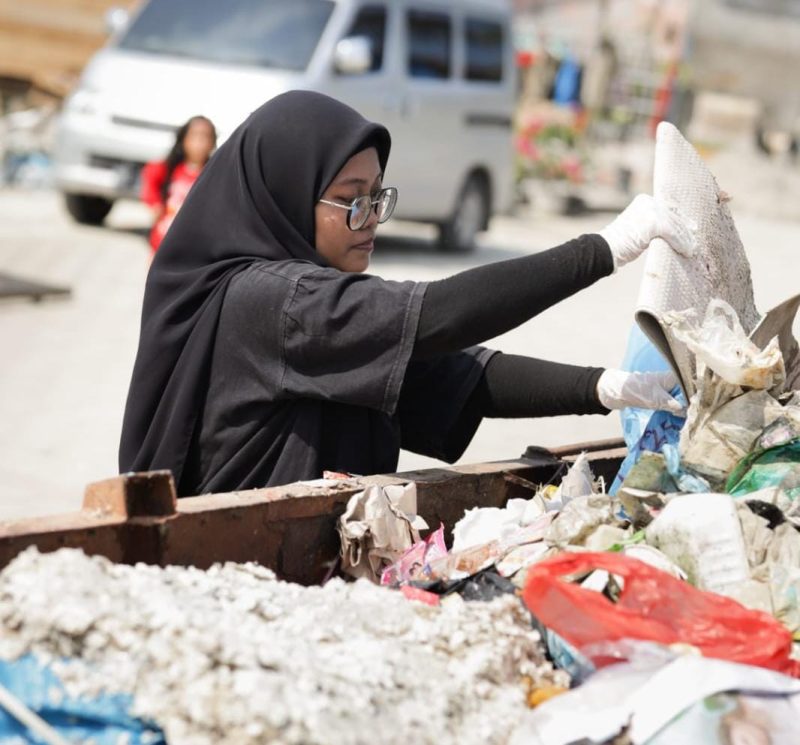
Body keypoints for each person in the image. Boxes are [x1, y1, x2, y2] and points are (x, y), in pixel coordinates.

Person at [119, 91, 694, 497]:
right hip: (244, 571)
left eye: (377, 196)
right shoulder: (270, 300)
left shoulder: (305, 308)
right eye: (351, 200)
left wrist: (605, 387)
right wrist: (605, 248)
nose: (371, 219)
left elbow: (457, 377)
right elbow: (438, 317)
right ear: (287, 194)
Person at [140, 115, 217, 252]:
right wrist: (155, 204)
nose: (199, 142)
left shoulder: (213, 174)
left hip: (192, 245)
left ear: (212, 143)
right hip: (163, 238)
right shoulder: (170, 168)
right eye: (194, 136)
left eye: (205, 137)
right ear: (184, 140)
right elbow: (149, 179)